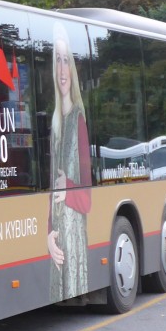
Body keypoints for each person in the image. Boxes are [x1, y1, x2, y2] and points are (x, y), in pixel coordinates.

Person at [48, 22, 92, 302]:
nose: (62, 69)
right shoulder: (54, 123)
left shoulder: (78, 120)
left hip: (74, 240)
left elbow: (88, 198)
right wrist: (47, 236)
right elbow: (50, 187)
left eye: (66, 60)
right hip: (58, 241)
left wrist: (69, 189)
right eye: (57, 61)